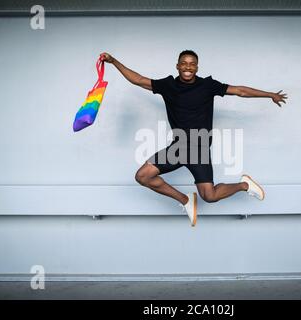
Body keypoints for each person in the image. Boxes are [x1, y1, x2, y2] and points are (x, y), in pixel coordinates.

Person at [100, 50, 287, 227]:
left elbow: (240, 91)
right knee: (142, 176)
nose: (188, 67)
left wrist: (269, 95)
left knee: (210, 196)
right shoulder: (168, 86)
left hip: (199, 149)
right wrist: (114, 61)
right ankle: (185, 200)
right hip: (178, 147)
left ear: (197, 67)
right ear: (177, 66)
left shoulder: (208, 86)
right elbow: (138, 80)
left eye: (192, 64)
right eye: (184, 63)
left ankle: (244, 184)